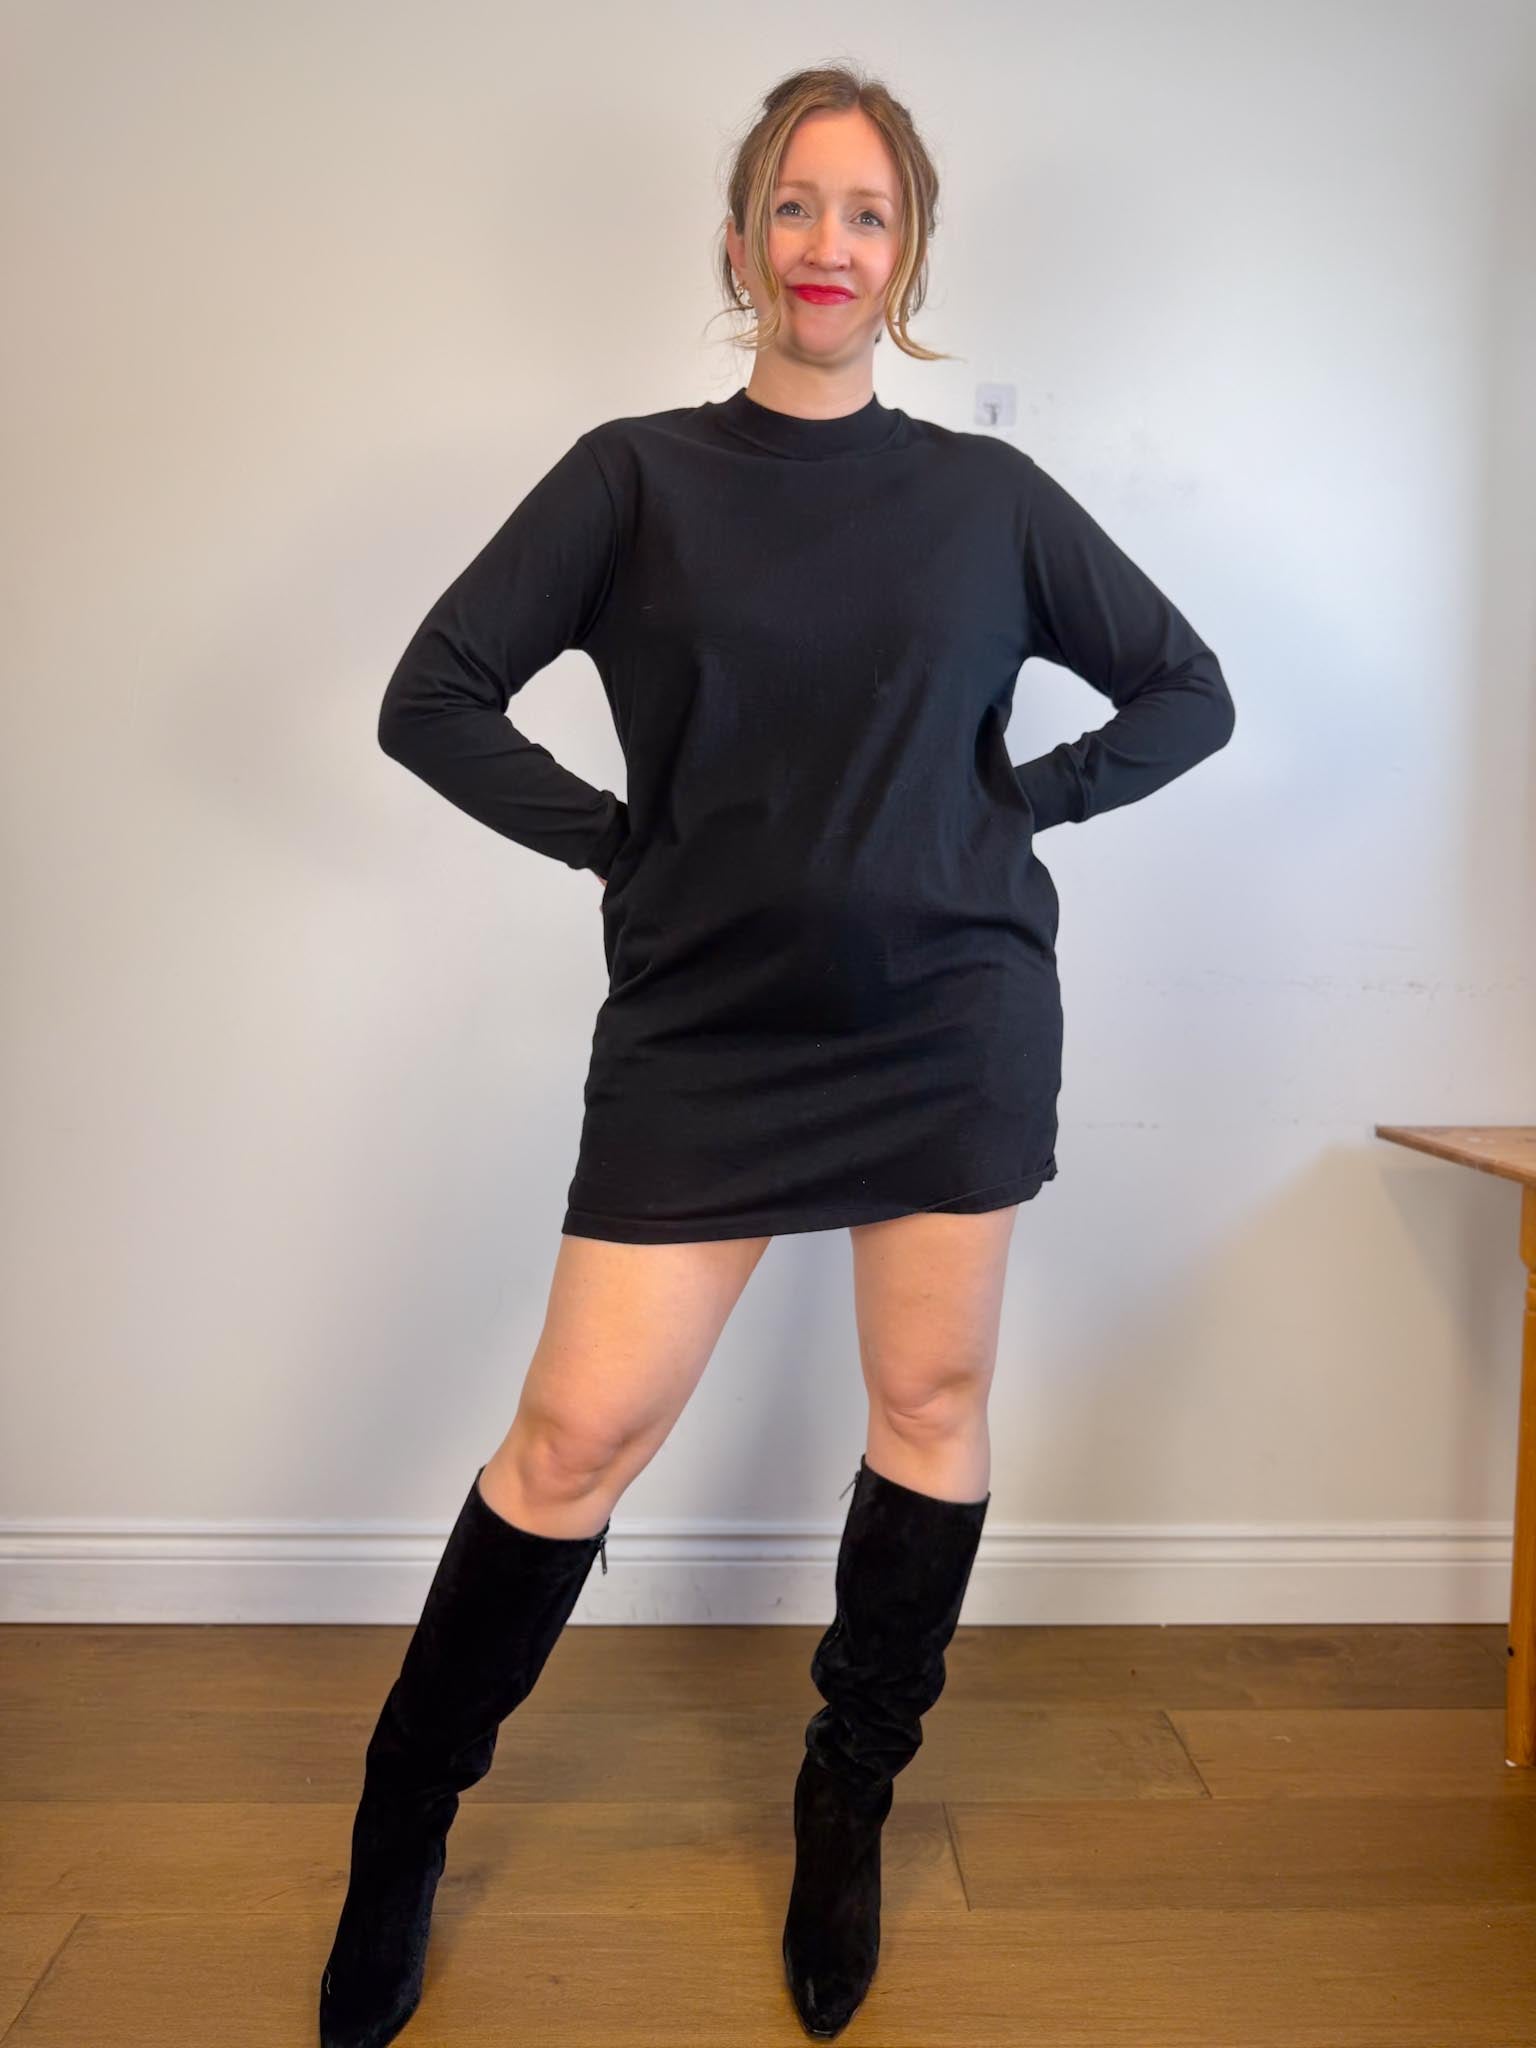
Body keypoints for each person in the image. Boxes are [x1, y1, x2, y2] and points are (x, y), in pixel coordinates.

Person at [318, 61, 1235, 2048]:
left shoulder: (987, 500)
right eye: (796, 207)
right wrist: (617, 839)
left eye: (868, 213)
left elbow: (1188, 687)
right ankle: (403, 1823)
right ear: (738, 242)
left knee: (932, 1396)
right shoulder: (633, 479)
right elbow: (434, 693)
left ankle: (848, 1799)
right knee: (575, 1436)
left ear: (909, 257)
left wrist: (1021, 807)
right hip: (706, 1029)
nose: (830, 244)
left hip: (948, 1019)